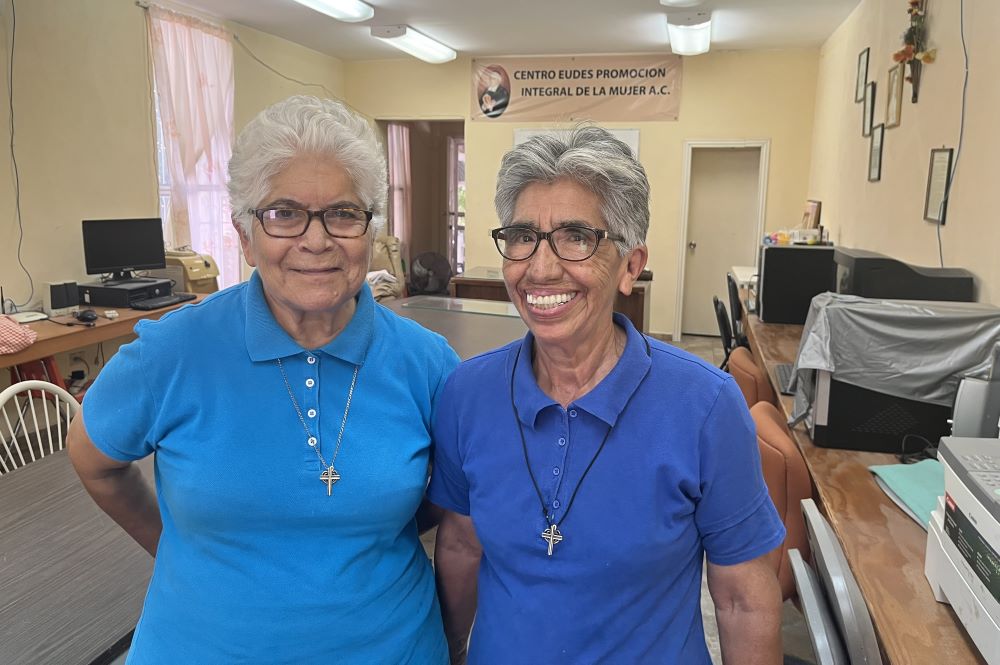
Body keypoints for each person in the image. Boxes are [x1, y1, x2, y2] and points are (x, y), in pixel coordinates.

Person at [67, 95, 458, 663]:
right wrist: (179, 547)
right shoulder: (173, 352)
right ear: (244, 234)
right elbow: (94, 460)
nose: (317, 240)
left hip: (391, 648)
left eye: (344, 214)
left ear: (370, 230)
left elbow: (451, 500)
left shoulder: (429, 364)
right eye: (284, 213)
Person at [429, 127, 785, 664]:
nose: (541, 268)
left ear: (630, 266)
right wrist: (452, 651)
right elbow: (459, 546)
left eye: (577, 237)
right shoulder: (467, 394)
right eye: (523, 235)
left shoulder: (705, 405)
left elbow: (742, 600)